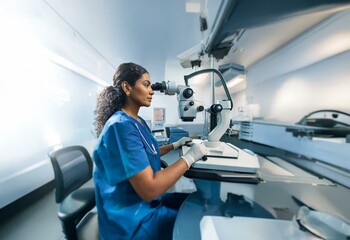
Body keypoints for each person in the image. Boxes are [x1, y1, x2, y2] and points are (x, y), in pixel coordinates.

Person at [93, 62, 207, 240]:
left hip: (142, 203)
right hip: (130, 219)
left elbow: (148, 152)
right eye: (146, 85)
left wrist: (174, 146)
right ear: (127, 87)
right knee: (199, 221)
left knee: (196, 202)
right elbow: (150, 189)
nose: (152, 90)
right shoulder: (120, 127)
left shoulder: (136, 120)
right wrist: (189, 158)